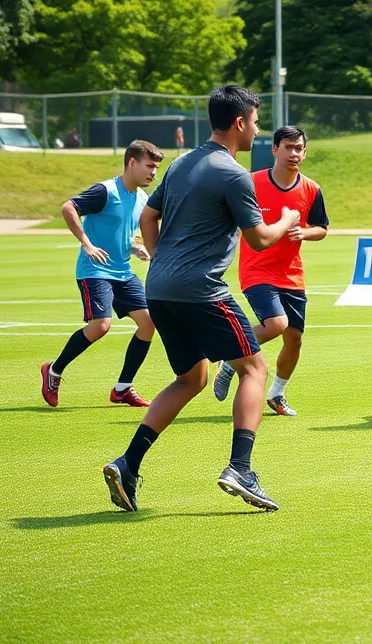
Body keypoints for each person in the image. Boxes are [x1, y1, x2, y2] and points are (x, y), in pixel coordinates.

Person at [102, 85, 298, 514]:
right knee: (254, 368)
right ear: (240, 122)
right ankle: (240, 468)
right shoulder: (233, 174)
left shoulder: (181, 163)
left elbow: (148, 216)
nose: (258, 130)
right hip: (200, 288)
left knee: (191, 379)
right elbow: (260, 239)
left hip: (159, 288)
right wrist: (286, 218)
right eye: (256, 122)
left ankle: (128, 464)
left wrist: (161, 261)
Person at [212, 125, 329, 417]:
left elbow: (322, 228)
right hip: (257, 270)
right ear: (275, 149)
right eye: (288, 147)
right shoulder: (251, 183)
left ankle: (277, 394)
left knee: (294, 339)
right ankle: (230, 357)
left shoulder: (311, 189)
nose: (294, 153)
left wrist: (305, 233)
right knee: (276, 323)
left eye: (299, 148)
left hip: (292, 275)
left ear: (305, 152)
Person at [41, 140, 164, 410]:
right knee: (101, 326)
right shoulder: (105, 191)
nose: (153, 173)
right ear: (132, 163)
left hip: (123, 272)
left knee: (148, 324)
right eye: (149, 166)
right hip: (95, 270)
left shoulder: (142, 199)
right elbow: (68, 208)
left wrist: (135, 248)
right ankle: (54, 370)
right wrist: (86, 243)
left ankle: (122, 389)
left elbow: (120, 231)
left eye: (156, 168)